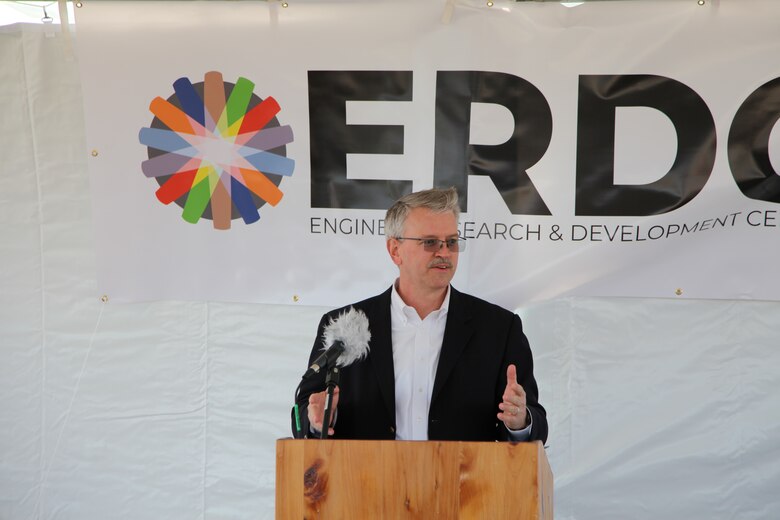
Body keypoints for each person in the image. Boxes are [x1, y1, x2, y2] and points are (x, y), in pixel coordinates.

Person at [293, 187, 547, 443]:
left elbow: (536, 421)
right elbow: (304, 412)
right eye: (430, 242)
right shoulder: (343, 326)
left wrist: (520, 422)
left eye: (451, 242)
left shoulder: (499, 329)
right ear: (395, 250)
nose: (444, 253)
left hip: (463, 481)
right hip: (366, 480)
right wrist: (318, 421)